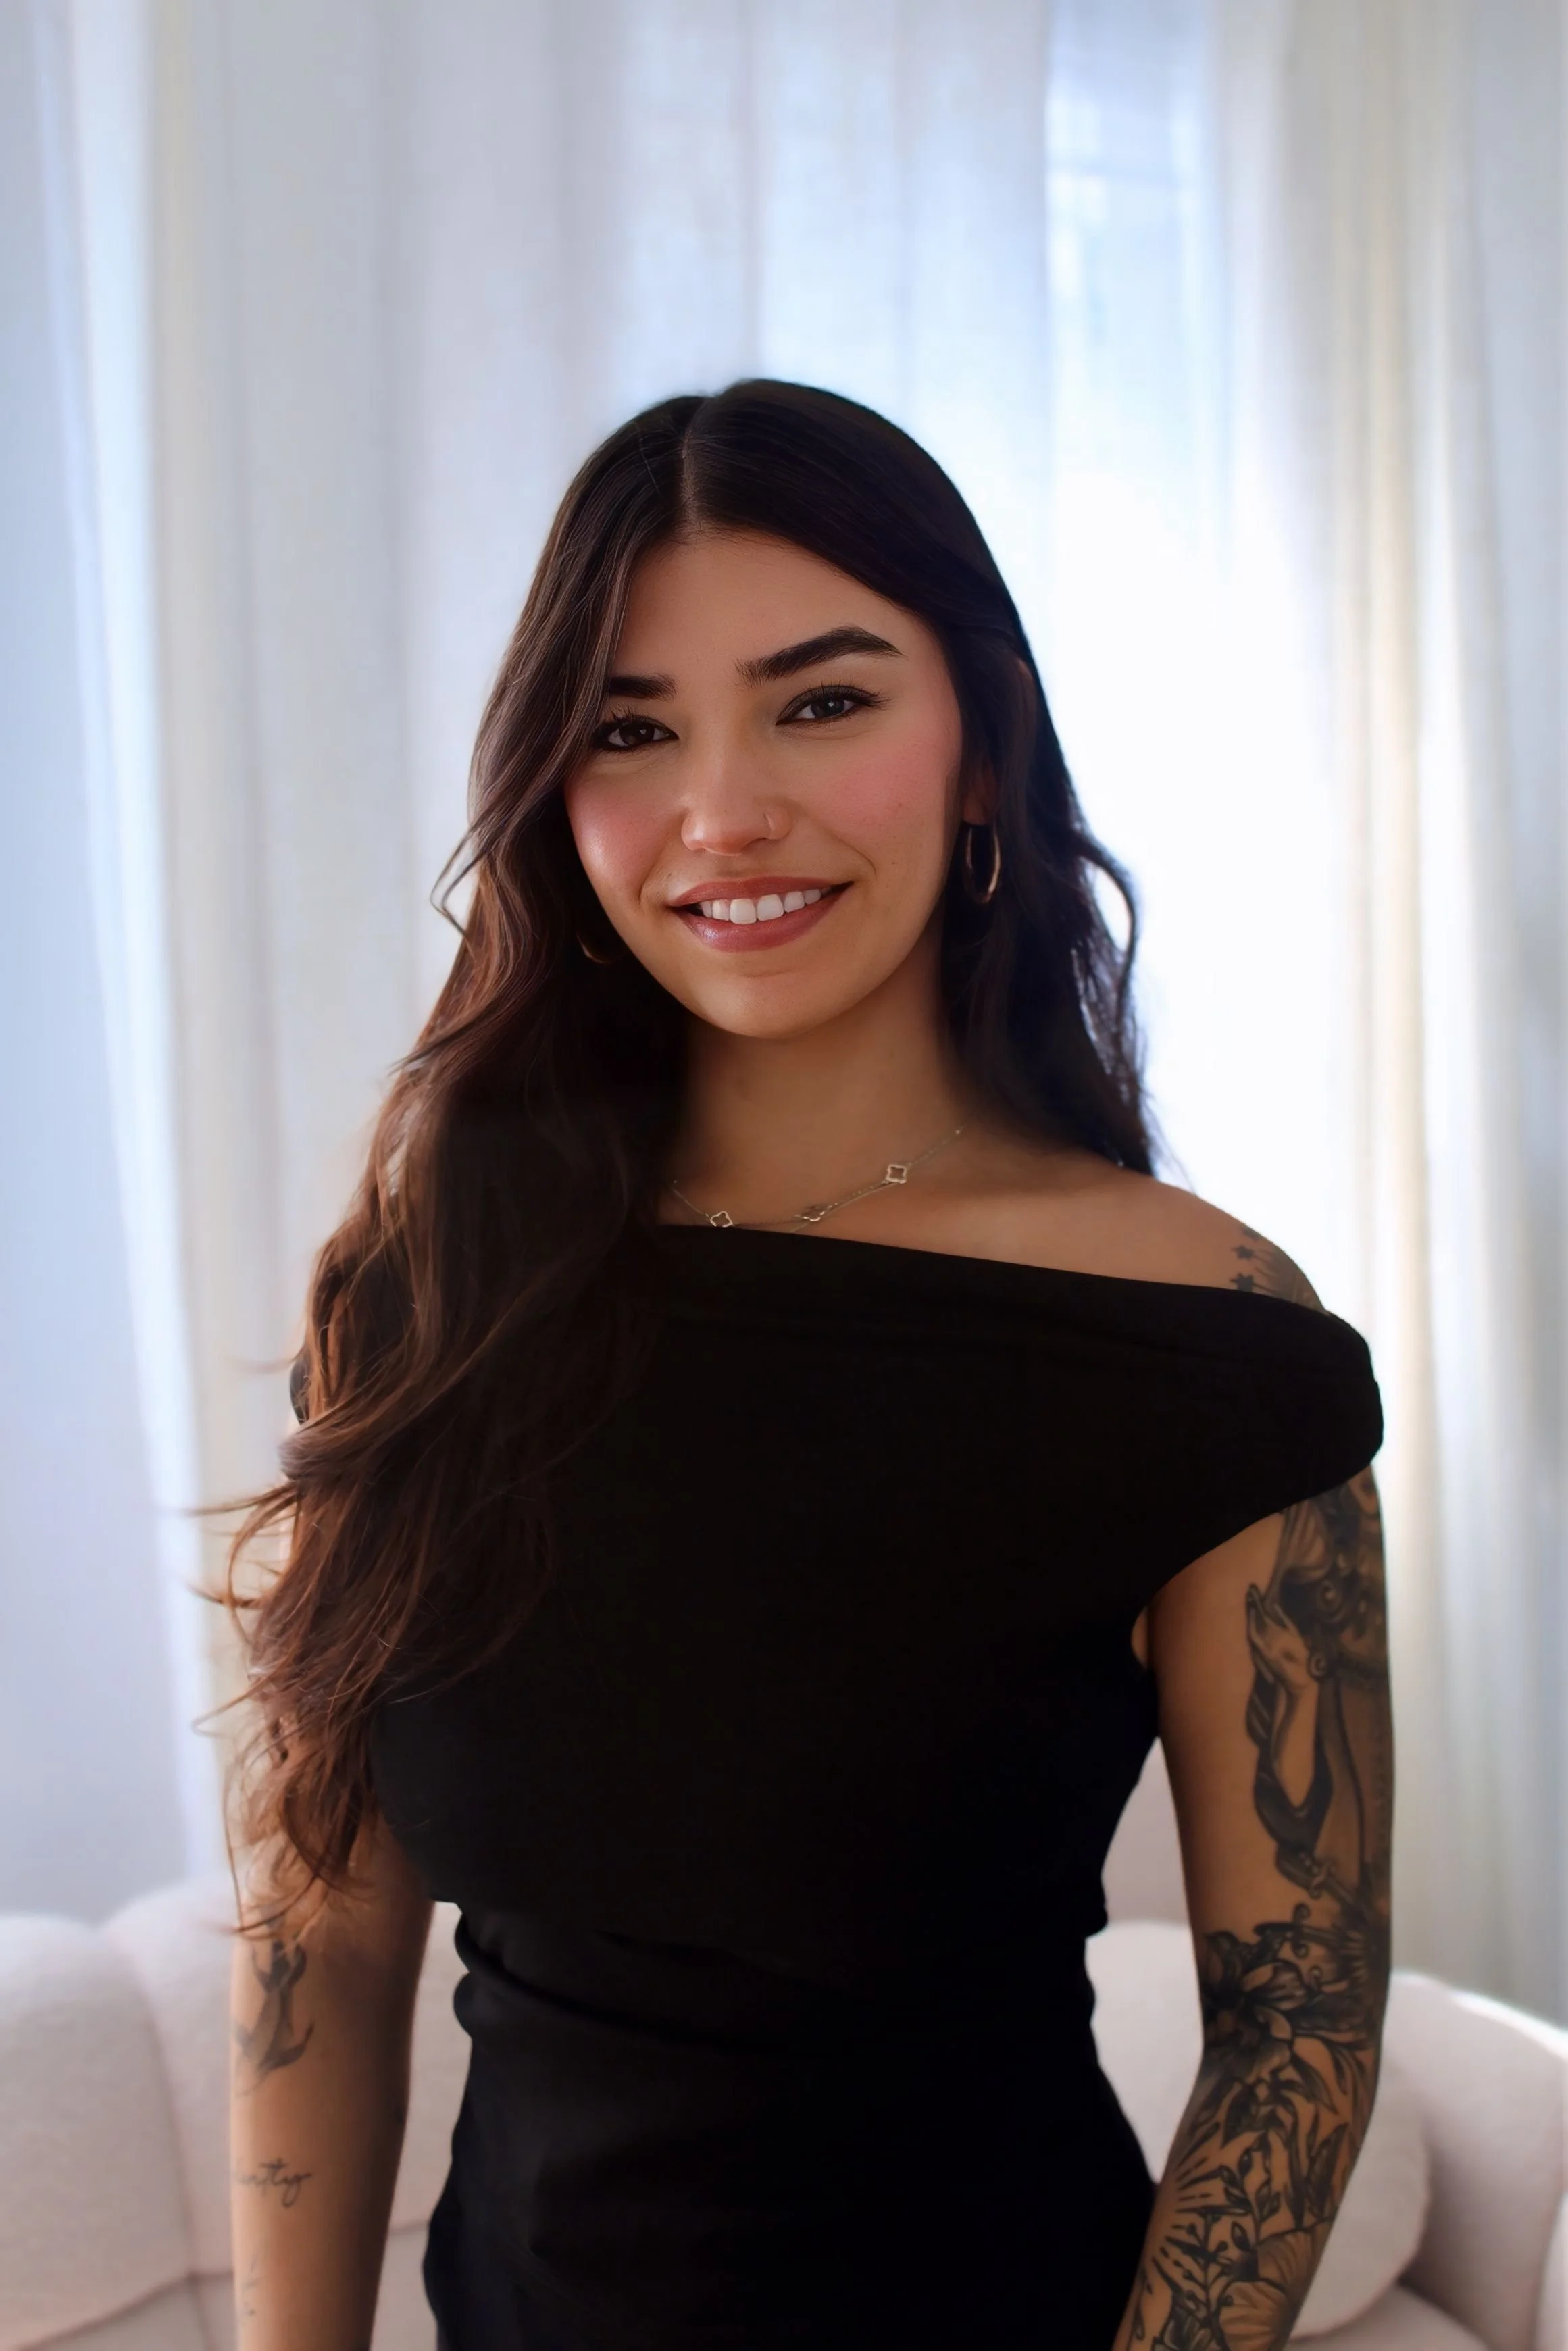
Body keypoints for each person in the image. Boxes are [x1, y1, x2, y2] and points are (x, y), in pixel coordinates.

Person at [218, 379, 1392, 2351]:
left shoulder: (1211, 1347)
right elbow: (319, 1922)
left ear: (984, 750)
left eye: (822, 701)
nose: (724, 811)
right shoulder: (439, 1292)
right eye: (632, 728)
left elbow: (1298, 2028)